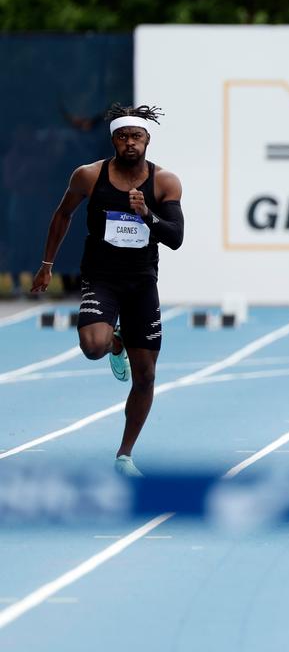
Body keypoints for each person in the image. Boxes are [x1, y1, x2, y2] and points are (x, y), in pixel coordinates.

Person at [31, 105, 185, 477]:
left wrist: (146, 214)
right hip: (101, 277)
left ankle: (124, 455)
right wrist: (47, 264)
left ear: (147, 140)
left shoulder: (164, 182)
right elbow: (62, 214)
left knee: (145, 375)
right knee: (92, 347)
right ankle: (115, 342)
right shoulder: (89, 175)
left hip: (142, 282)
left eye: (137, 136)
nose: (130, 143)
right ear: (113, 139)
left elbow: (176, 238)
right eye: (123, 136)